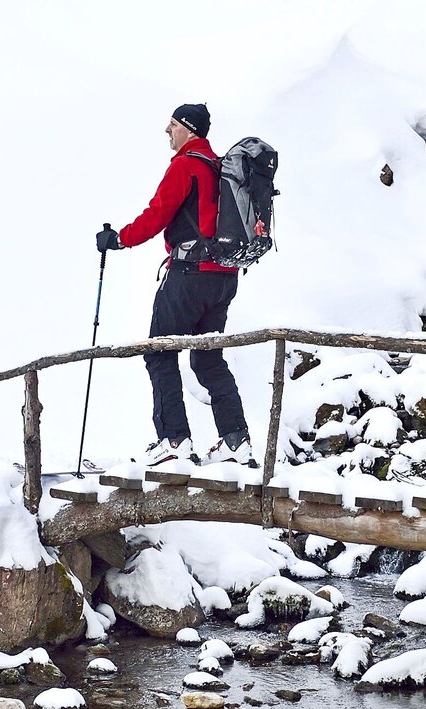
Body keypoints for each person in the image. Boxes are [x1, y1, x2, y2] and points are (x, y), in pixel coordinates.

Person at [96, 104, 253, 467]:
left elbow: (158, 214)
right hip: (224, 277)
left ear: (188, 129)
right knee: (209, 359)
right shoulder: (220, 167)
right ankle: (235, 442)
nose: (167, 131)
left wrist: (119, 240)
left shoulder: (186, 165)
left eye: (172, 125)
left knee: (160, 352)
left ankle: (174, 441)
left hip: (188, 277)